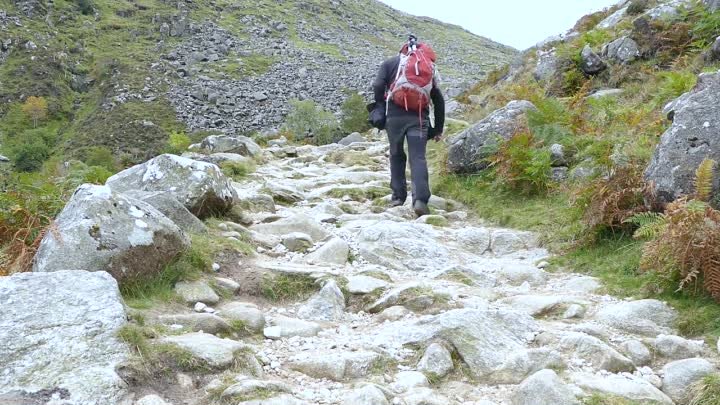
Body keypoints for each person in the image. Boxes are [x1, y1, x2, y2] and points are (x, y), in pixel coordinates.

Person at [372, 35, 445, 217]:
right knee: (418, 157)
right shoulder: (428, 68)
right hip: (419, 117)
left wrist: (380, 107)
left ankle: (398, 197)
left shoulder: (390, 63)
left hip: (394, 118)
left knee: (396, 154)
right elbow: (438, 99)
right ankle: (420, 200)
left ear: (402, 51)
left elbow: (377, 84)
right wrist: (438, 129)